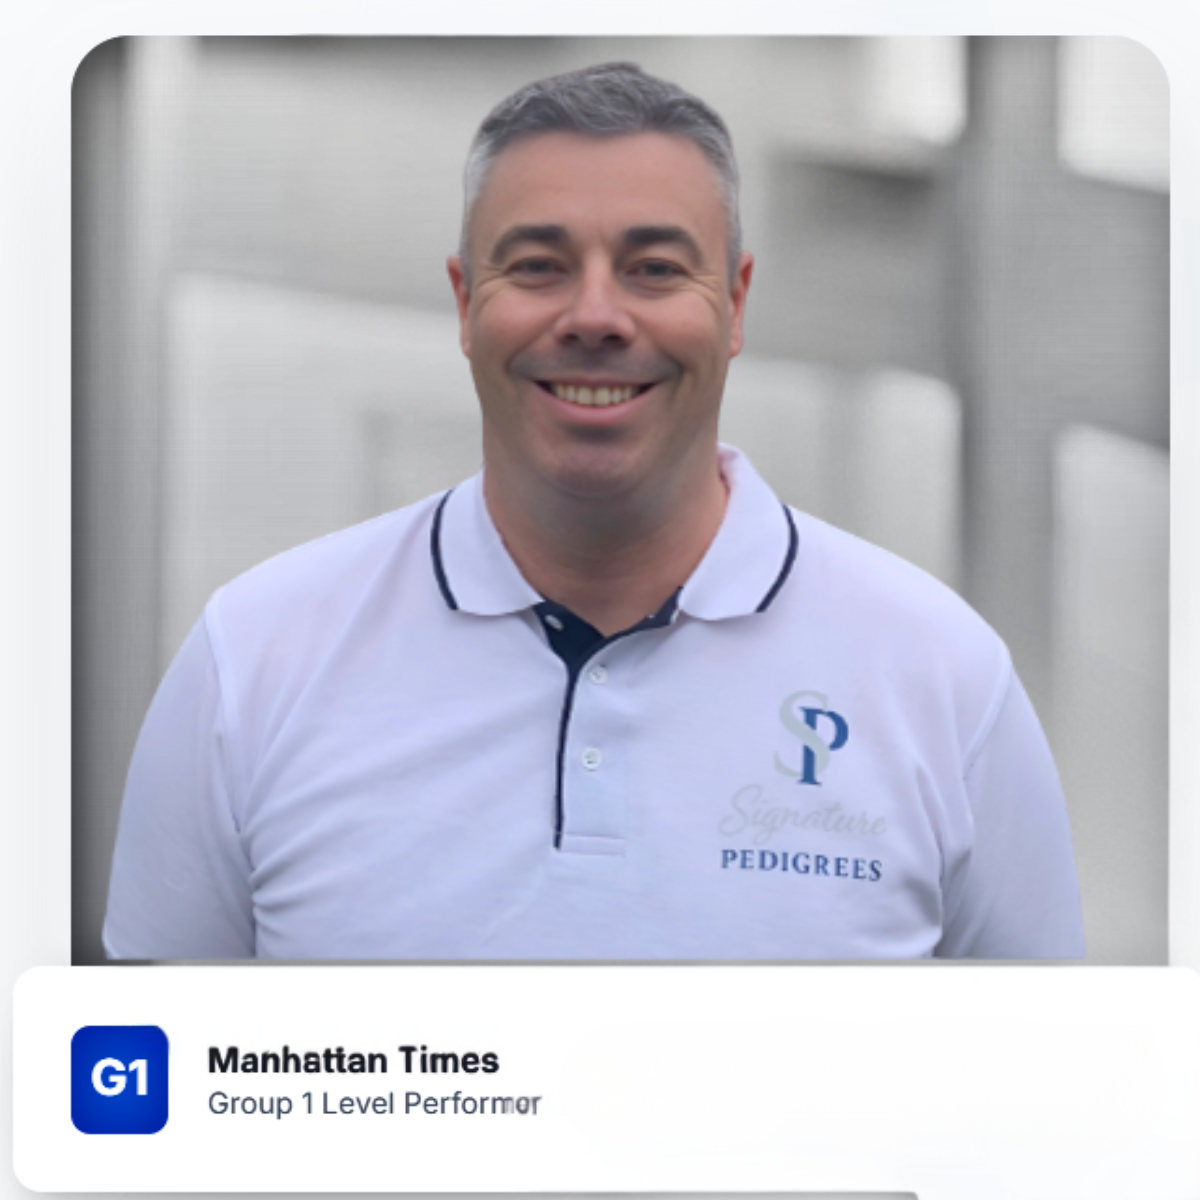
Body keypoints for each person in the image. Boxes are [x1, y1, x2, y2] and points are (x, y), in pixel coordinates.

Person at [104, 62, 1085, 960]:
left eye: (655, 268)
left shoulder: (944, 679)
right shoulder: (254, 658)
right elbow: (150, 1078)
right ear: (465, 303)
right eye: (538, 265)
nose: (596, 317)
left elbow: (1047, 1081)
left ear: (736, 304)